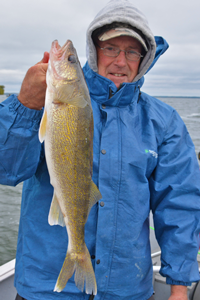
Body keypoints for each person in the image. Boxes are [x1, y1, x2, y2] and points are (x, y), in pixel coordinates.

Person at [0, 0, 200, 299]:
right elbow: (7, 170)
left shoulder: (164, 121)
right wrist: (25, 105)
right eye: (110, 48)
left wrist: (179, 287)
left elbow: (179, 205)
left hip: (127, 289)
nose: (121, 61)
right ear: (93, 50)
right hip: (46, 287)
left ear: (144, 59)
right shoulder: (42, 104)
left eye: (132, 51)